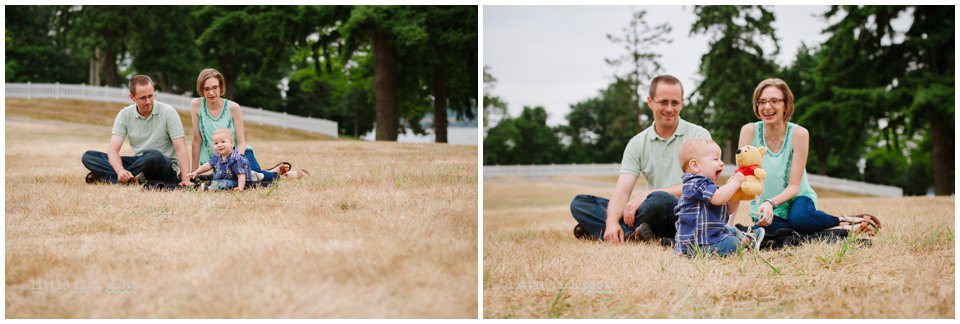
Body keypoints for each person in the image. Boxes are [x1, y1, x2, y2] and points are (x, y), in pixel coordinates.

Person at [570, 75, 712, 243]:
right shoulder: (637, 143)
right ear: (650, 102)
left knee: (660, 200)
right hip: (651, 211)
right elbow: (623, 191)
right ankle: (631, 234)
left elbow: (701, 184)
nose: (669, 108)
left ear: (682, 103)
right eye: (663, 102)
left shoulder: (699, 135)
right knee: (580, 203)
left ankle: (600, 230)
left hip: (686, 212)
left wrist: (648, 194)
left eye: (674, 103)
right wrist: (611, 221)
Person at [737, 78, 881, 235]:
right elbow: (740, 179)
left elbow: (794, 187)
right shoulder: (749, 131)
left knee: (800, 220)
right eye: (762, 101)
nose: (767, 107)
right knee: (772, 232)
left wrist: (770, 202)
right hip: (765, 209)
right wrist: (727, 226)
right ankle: (842, 230)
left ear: (786, 105)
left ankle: (842, 221)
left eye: (774, 101)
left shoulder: (799, 134)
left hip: (797, 199)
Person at [189, 68, 308, 183]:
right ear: (201, 90)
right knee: (222, 180)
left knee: (250, 177)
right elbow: (196, 140)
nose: (211, 93)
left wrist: (235, 161)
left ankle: (283, 175)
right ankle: (271, 171)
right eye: (206, 89)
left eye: (214, 87)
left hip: (241, 154)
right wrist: (194, 172)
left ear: (220, 86)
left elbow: (241, 142)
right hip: (218, 159)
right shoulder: (196, 105)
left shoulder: (233, 108)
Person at [82, 75, 193, 187]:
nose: (148, 101)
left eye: (151, 96)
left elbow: (180, 148)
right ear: (132, 97)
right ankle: (130, 178)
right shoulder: (124, 115)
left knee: (154, 155)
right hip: (140, 164)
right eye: (143, 98)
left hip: (164, 165)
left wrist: (185, 180)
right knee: (89, 156)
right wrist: (120, 170)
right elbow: (113, 150)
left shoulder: (168, 112)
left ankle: (109, 177)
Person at [673, 138, 763, 257]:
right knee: (732, 242)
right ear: (695, 165)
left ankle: (746, 239)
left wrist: (737, 195)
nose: (722, 163)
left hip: (707, 237)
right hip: (696, 245)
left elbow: (728, 209)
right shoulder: (694, 183)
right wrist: (735, 181)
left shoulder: (707, 186)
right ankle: (744, 243)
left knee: (730, 229)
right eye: (715, 159)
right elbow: (719, 198)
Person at [187, 128, 263, 191]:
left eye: (223, 142)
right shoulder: (217, 156)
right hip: (222, 178)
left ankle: (208, 188)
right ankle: (253, 175)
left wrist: (240, 187)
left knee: (226, 183)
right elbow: (208, 165)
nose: (219, 145)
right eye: (216, 143)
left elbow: (241, 175)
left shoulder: (235, 158)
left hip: (237, 180)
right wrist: (196, 172)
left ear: (232, 143)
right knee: (215, 180)